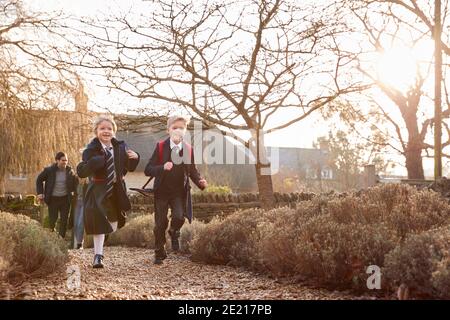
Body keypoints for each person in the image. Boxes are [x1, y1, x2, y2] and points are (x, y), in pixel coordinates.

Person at [77, 115, 139, 268]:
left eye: (109, 129)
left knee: (114, 222)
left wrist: (135, 158)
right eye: (102, 128)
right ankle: (98, 256)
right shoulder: (91, 150)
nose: (106, 131)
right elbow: (82, 172)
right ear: (96, 131)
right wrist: (95, 162)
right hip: (98, 189)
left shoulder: (120, 147)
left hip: (116, 189)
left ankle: (105, 234)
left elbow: (129, 167)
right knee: (99, 221)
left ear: (114, 131)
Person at [145, 115, 207, 265]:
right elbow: (148, 169)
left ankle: (174, 231)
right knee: (160, 223)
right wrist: (162, 167)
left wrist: (200, 182)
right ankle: (159, 252)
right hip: (161, 191)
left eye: (181, 128)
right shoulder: (160, 147)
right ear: (168, 130)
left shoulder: (188, 149)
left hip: (179, 191)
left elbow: (192, 170)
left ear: (185, 131)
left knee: (179, 217)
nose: (178, 130)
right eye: (174, 128)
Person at [36, 152, 79, 238]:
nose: (65, 162)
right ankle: (52, 239)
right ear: (57, 160)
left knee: (64, 221)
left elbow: (75, 183)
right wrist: (40, 193)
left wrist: (75, 193)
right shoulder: (49, 170)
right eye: (63, 160)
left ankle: (61, 240)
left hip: (65, 200)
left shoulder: (70, 171)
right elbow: (39, 180)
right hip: (53, 199)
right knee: (52, 220)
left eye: (66, 160)